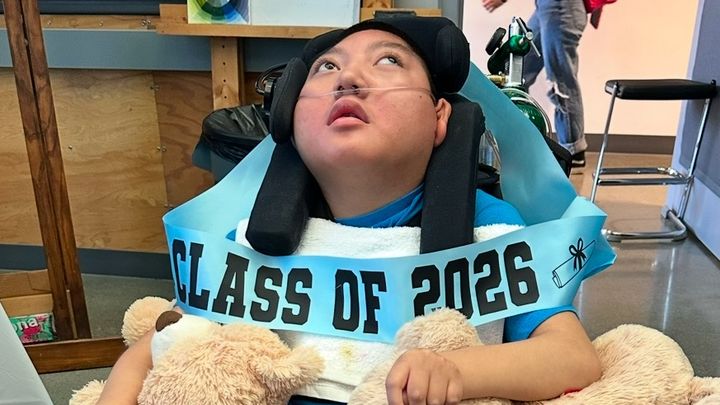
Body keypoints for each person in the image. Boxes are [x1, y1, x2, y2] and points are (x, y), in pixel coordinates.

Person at [98, 17, 601, 405]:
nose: (349, 79)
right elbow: (160, 347)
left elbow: (573, 357)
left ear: (439, 117)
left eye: (388, 61)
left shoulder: (489, 232)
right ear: (291, 119)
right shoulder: (250, 240)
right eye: (326, 68)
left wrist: (460, 372)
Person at [482, 0, 589, 169]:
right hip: (546, 6)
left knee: (561, 80)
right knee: (517, 71)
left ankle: (573, 150)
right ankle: (518, 141)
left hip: (561, 7)